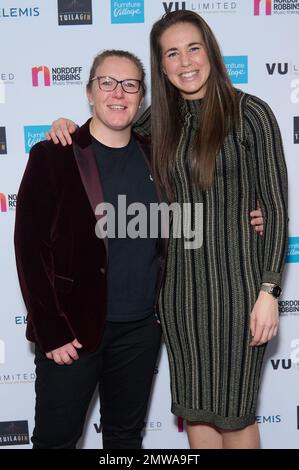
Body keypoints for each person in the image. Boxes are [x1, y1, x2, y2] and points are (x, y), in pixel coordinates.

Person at [46, 14, 273, 450]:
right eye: (172, 53)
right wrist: (66, 126)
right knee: (195, 410)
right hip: (178, 298)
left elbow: (275, 206)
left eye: (193, 48)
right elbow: (110, 128)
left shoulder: (252, 113)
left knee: (236, 412)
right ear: (162, 67)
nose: (184, 61)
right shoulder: (158, 122)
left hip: (239, 289)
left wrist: (269, 290)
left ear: (210, 51)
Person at [14, 50, 164, 449]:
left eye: (130, 84)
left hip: (139, 330)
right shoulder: (54, 154)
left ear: (141, 95)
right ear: (90, 92)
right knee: (56, 441)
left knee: (125, 440)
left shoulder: (157, 155)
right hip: (72, 333)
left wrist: (253, 213)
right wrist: (52, 331)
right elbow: (30, 250)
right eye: (108, 82)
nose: (119, 92)